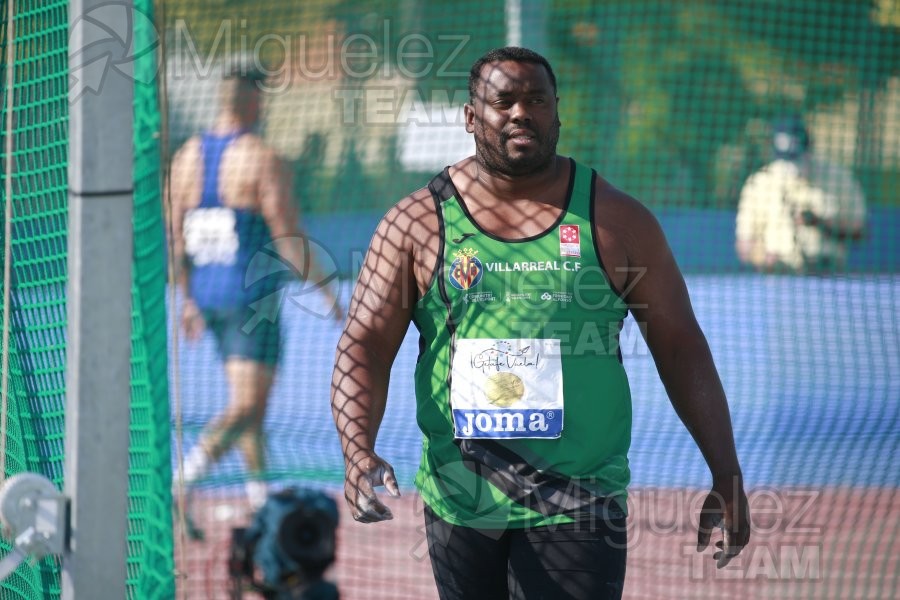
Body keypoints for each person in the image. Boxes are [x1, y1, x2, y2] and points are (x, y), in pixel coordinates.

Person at [331, 47, 751, 599]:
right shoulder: (416, 223)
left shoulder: (616, 221)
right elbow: (364, 343)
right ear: (471, 116)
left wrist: (727, 473)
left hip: (579, 498)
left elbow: (679, 344)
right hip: (460, 495)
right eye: (502, 101)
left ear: (558, 112)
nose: (520, 113)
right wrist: (357, 447)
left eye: (536, 100)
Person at [168, 69, 343, 535]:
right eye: (262, 102)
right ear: (251, 103)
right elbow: (289, 239)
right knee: (247, 405)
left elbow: (174, 236)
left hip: (208, 296)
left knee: (254, 407)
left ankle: (259, 498)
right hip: (251, 300)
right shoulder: (261, 158)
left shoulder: (186, 157)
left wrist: (187, 299)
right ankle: (183, 481)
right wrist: (329, 294)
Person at [735, 115, 866, 273]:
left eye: (795, 158)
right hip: (777, 278)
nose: (790, 167)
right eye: (785, 159)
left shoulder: (837, 178)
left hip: (827, 274)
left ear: (809, 149)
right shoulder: (760, 182)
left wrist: (821, 223)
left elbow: (861, 232)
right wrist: (764, 257)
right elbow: (744, 244)